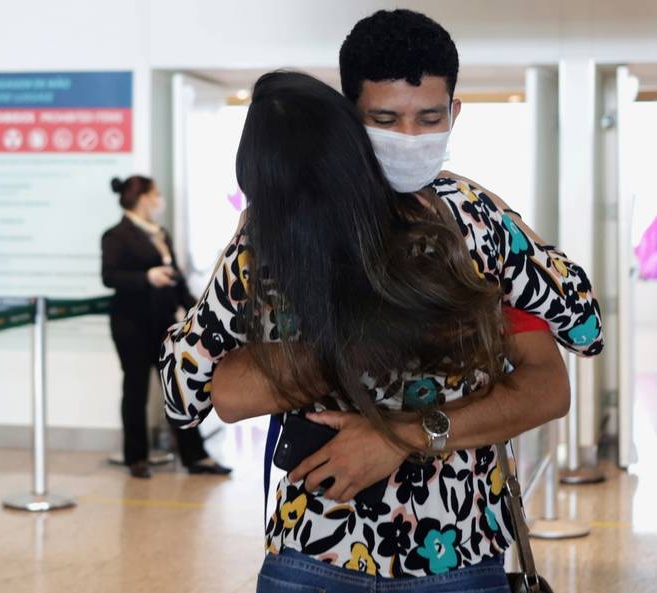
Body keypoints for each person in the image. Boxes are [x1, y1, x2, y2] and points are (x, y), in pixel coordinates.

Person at [160, 71, 602, 592]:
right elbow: (584, 325)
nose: (409, 138)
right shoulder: (465, 216)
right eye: (387, 120)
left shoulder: (263, 243)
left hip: (315, 538)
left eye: (427, 118)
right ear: (355, 129)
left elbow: (183, 394)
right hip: (452, 545)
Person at [101, 175, 230, 479]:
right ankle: (136, 458)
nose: (160, 200)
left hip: (162, 322)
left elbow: (176, 278)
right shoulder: (116, 235)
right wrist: (147, 277)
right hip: (130, 323)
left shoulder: (159, 233)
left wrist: (199, 307)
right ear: (143, 197)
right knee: (135, 389)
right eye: (156, 194)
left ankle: (195, 457)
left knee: (178, 389)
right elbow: (110, 276)